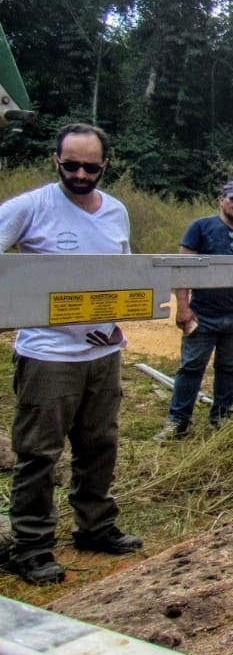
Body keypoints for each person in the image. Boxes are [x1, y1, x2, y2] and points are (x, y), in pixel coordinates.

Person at [0, 123, 142, 584]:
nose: (81, 174)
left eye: (91, 166)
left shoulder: (116, 212)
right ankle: (32, 545)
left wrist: (115, 318)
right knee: (40, 453)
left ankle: (95, 526)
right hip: (48, 354)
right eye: (72, 164)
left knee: (99, 444)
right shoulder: (30, 207)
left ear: (105, 164)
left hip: (101, 353)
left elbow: (123, 276)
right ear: (56, 161)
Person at [157, 179, 233, 439]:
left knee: (229, 369)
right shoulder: (200, 228)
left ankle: (221, 419)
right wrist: (183, 308)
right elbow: (182, 268)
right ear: (222, 200)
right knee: (190, 368)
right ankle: (178, 422)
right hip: (203, 315)